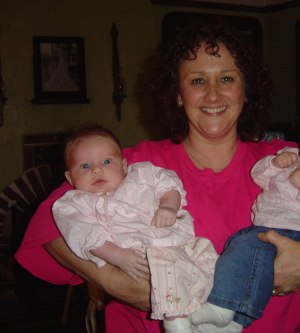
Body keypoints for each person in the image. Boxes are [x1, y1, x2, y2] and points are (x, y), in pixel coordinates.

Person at [16, 17, 300, 333]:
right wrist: (117, 283)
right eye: (197, 80)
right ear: (178, 94)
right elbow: (47, 226)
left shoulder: (291, 160)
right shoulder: (129, 166)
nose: (213, 95)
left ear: (246, 91)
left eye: (227, 79)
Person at [190, 108, 300, 331]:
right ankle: (235, 322)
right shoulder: (291, 156)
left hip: (299, 230)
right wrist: (275, 164)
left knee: (246, 249)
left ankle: (222, 309)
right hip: (270, 226)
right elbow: (259, 177)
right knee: (239, 251)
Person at [52, 125, 218, 333]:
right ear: (69, 178)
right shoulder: (74, 204)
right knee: (164, 269)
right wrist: (119, 256)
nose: (97, 170)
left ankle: (212, 310)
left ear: (123, 165)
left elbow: (168, 185)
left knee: (207, 252)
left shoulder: (140, 174)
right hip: (141, 253)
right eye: (85, 166)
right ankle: (177, 322)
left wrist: (168, 206)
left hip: (180, 241)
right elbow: (85, 237)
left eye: (106, 161)